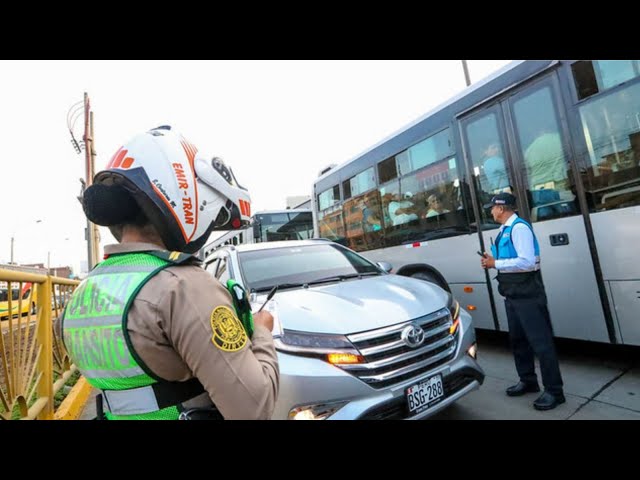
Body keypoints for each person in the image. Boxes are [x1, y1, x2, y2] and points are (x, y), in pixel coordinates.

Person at [61, 126, 279, 420]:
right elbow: (254, 409)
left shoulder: (81, 295)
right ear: (185, 194)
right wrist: (262, 333)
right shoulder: (183, 287)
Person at [479, 192, 564, 411]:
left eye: (492, 208)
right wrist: (493, 262)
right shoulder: (504, 230)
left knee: (541, 343)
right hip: (513, 294)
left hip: (528, 295)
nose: (491, 211)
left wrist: (495, 263)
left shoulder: (519, 228)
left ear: (501, 208)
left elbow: (527, 262)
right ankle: (528, 381)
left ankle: (555, 391)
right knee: (518, 341)